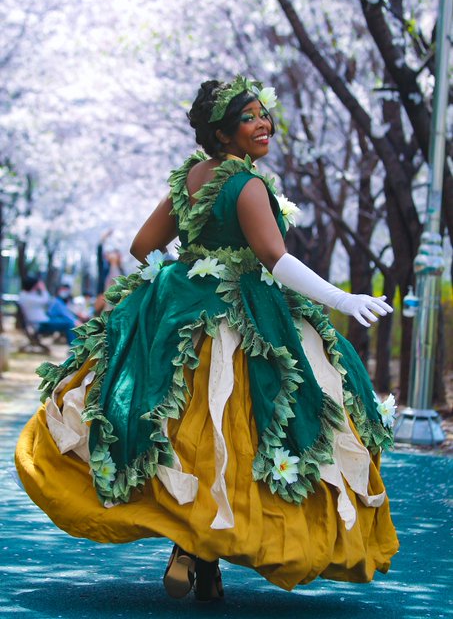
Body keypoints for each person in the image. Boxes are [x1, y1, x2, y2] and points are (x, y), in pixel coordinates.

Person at [15, 76, 399, 602]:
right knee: (239, 437)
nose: (263, 124)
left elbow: (143, 246)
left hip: (181, 318)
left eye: (263, 114)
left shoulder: (191, 178)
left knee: (189, 436)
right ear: (222, 133)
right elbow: (275, 258)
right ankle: (203, 554)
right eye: (248, 118)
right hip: (247, 321)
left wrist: (186, 276)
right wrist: (342, 299)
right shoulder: (247, 185)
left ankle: (196, 554)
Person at [18, 276, 77, 345]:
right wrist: (43, 288)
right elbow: (46, 300)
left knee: (67, 319)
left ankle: (75, 344)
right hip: (41, 324)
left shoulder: (26, 295)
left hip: (41, 322)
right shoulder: (27, 297)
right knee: (69, 324)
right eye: (37, 285)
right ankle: (73, 347)